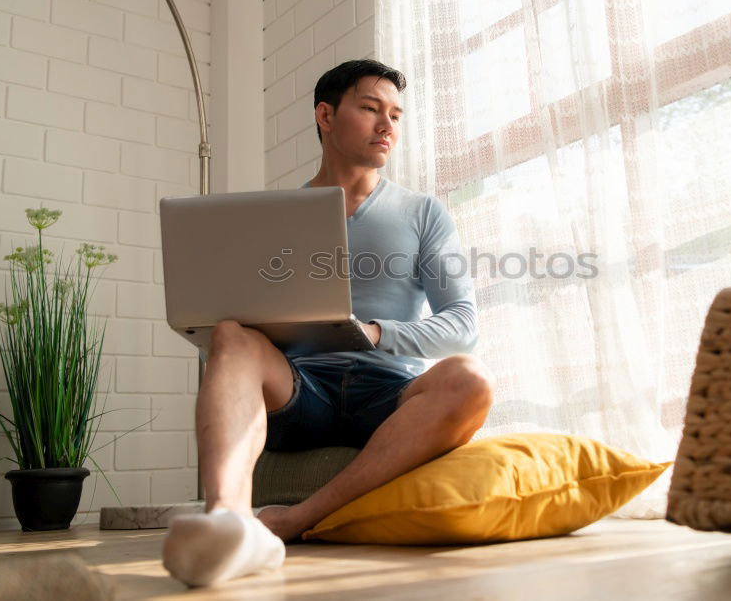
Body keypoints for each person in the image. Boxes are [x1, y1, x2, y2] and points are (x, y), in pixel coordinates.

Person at [162, 59, 495, 587]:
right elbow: (226, 354)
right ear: (325, 114)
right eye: (370, 109)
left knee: (471, 378)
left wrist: (376, 332)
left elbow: (463, 324)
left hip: (388, 394)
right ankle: (226, 518)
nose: (388, 125)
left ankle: (293, 520)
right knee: (227, 333)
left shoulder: (424, 213)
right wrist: (251, 336)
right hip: (301, 390)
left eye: (396, 114)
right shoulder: (273, 218)